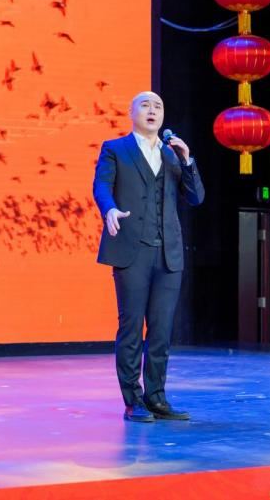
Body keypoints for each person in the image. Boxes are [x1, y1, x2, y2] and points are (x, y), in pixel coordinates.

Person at [92, 91, 205, 422]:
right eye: (145, 105)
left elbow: (195, 197)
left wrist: (187, 160)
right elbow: (101, 187)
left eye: (158, 106)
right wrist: (109, 209)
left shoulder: (172, 155)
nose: (152, 110)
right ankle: (133, 400)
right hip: (132, 251)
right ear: (131, 113)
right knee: (131, 327)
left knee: (161, 329)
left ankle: (156, 397)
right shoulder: (115, 149)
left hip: (168, 253)